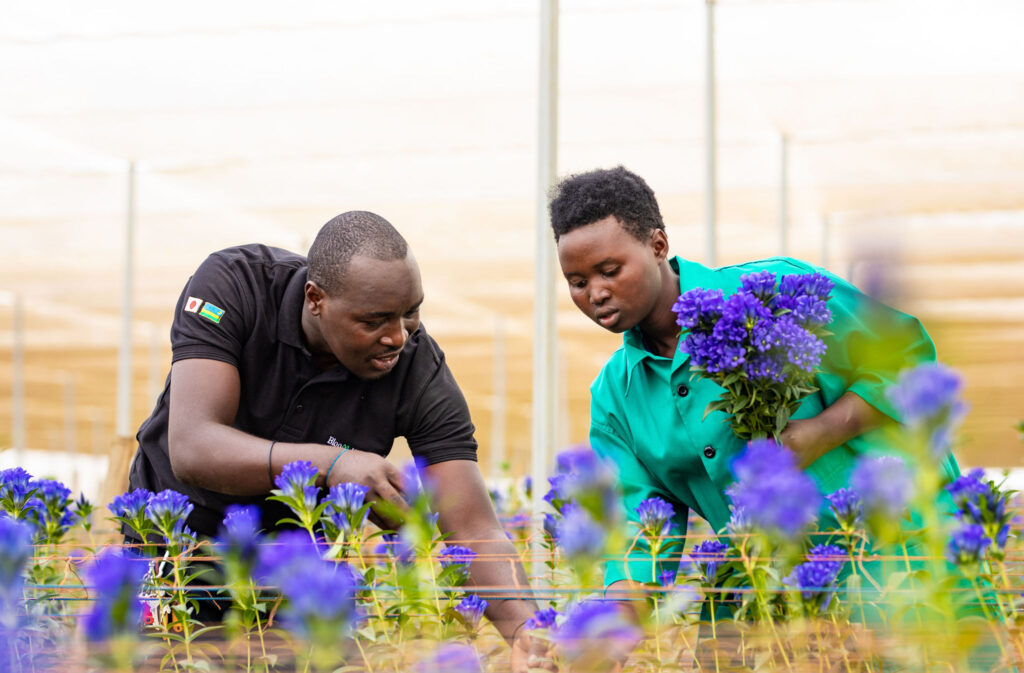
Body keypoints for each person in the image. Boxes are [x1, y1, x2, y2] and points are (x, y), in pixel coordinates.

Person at [128, 211, 552, 672]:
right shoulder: (235, 287)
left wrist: (526, 634)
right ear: (316, 300)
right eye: (375, 320)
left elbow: (473, 528)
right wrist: (332, 465)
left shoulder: (418, 370)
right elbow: (193, 448)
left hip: (296, 565)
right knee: (163, 661)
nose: (398, 336)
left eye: (410, 312)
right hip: (174, 545)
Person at [547, 167, 965, 635]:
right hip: (777, 602)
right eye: (576, 281)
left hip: (900, 565)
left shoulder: (776, 291)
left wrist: (820, 432)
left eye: (609, 270)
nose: (596, 293)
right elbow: (637, 537)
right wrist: (609, 631)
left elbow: (906, 358)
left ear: (658, 246)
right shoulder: (615, 399)